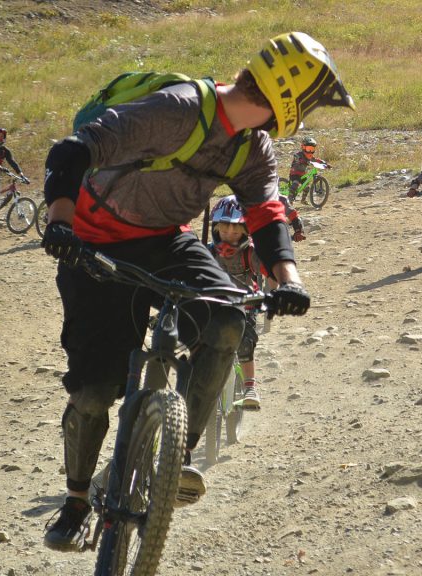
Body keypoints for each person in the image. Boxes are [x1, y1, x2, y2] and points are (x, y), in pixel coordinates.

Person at [39, 31, 354, 553]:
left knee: (228, 320)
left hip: (165, 241)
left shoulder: (253, 146)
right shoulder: (178, 109)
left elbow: (266, 212)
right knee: (95, 391)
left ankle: (173, 463)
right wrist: (60, 224)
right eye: (312, 103)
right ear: (290, 99)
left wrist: (289, 280)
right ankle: (75, 502)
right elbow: (74, 150)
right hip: (93, 244)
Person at [207, 195, 268, 409]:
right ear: (215, 230)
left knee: (244, 339)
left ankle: (250, 386)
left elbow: (270, 272)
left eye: (235, 232)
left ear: (245, 233)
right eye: (223, 231)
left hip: (246, 303)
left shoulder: (250, 253)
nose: (228, 237)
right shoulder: (208, 252)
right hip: (213, 302)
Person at [287, 136, 329, 202]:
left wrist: (325, 163)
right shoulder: (298, 155)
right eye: (308, 149)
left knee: (307, 187)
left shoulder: (309, 157)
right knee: (295, 183)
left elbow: (316, 160)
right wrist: (303, 161)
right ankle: (290, 199)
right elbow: (297, 159)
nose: (310, 152)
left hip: (303, 175)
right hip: (294, 174)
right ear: (303, 147)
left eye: (312, 149)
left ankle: (303, 200)